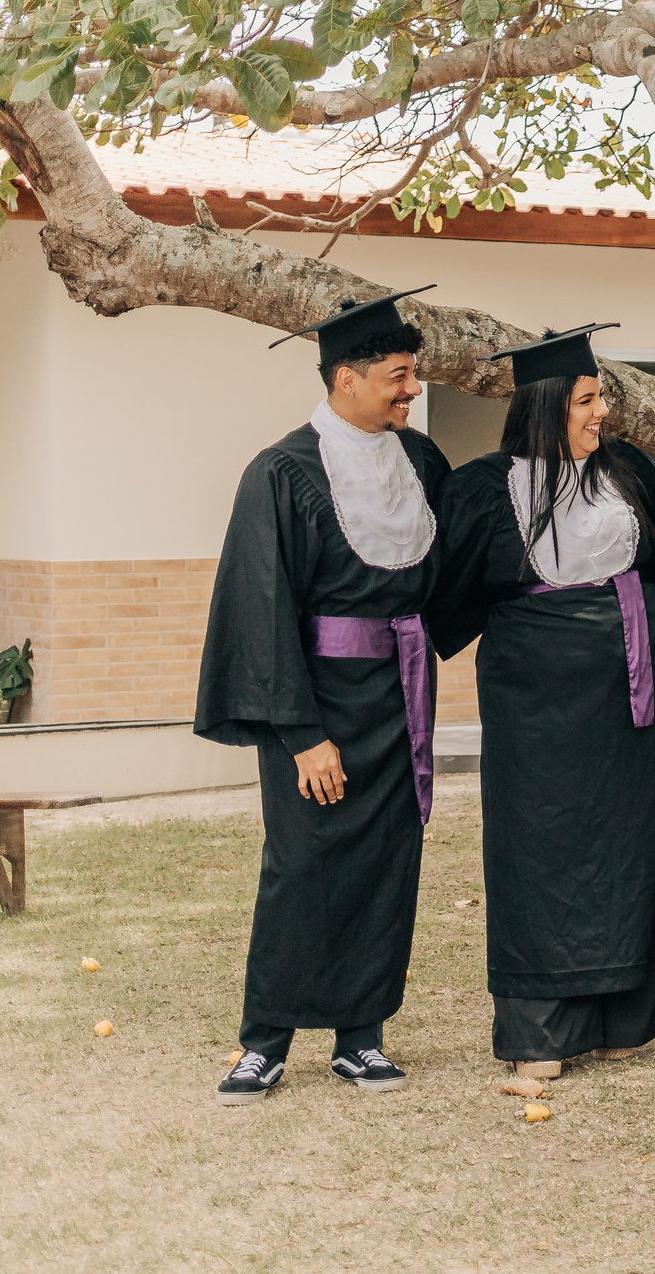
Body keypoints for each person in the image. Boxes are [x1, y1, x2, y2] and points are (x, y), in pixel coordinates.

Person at [200, 289, 449, 1104]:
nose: (411, 390)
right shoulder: (282, 471)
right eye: (398, 376)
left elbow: (451, 573)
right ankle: (265, 1040)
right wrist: (303, 733)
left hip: (398, 696)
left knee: (387, 861)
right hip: (313, 704)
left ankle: (361, 1036)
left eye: (412, 375)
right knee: (302, 862)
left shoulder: (420, 463)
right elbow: (260, 605)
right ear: (347, 378)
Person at [429, 324, 655, 1077]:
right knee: (540, 852)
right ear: (546, 406)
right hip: (535, 710)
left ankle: (620, 1017)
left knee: (632, 846)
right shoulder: (483, 488)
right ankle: (540, 1034)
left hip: (634, 707)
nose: (600, 410)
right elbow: (453, 598)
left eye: (600, 395)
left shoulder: (632, 472)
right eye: (585, 399)